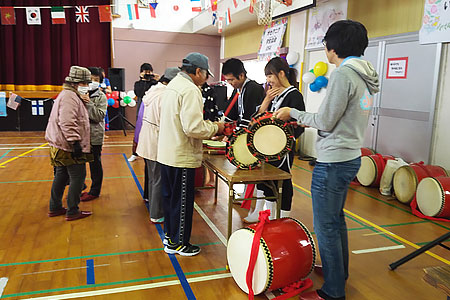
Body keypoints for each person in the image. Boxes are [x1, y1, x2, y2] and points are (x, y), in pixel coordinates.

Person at [274, 20, 379, 300]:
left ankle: (333, 291)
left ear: (333, 47)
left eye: (325, 45)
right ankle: (338, 273)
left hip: (333, 161)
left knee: (326, 226)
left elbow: (326, 121)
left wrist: (292, 113)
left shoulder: (344, 75)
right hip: (351, 157)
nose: (325, 50)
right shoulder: (365, 74)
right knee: (336, 220)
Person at [158, 52, 224, 256]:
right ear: (198, 71)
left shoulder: (173, 86)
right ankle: (179, 244)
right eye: (206, 75)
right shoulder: (190, 90)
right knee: (182, 202)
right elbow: (193, 128)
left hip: (167, 154)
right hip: (181, 156)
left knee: (170, 200)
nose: (206, 79)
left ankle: (170, 237)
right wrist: (216, 128)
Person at [243, 57, 305, 223]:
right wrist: (266, 101)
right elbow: (256, 119)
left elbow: (299, 125)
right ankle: (262, 214)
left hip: (281, 149)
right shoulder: (272, 95)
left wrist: (284, 139)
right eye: (267, 76)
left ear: (282, 74)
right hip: (266, 146)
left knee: (282, 180)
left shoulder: (294, 95)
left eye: (270, 76)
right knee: (264, 178)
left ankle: (283, 217)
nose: (268, 80)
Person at [45, 66, 93, 221]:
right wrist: (75, 142)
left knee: (61, 175)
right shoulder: (70, 97)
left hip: (60, 143)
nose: (87, 85)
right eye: (85, 82)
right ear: (76, 83)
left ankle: (55, 207)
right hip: (67, 145)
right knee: (78, 176)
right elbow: (67, 121)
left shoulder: (69, 94)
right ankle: (72, 210)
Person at [136, 67, 180, 224]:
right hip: (155, 141)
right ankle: (156, 213)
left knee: (152, 176)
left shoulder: (154, 90)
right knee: (158, 179)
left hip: (147, 139)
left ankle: (150, 202)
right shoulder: (165, 95)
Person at [79, 67, 108, 202]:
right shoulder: (77, 94)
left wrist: (89, 103)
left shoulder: (101, 97)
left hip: (94, 136)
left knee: (95, 164)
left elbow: (99, 116)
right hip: (79, 136)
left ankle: (95, 191)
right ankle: (78, 189)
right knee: (78, 165)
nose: (92, 82)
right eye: (90, 79)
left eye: (96, 80)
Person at [128, 63, 159, 162]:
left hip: (152, 108)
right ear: (141, 73)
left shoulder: (154, 83)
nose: (148, 74)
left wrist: (155, 80)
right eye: (146, 72)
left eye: (149, 71)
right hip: (142, 108)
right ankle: (134, 153)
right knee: (139, 131)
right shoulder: (138, 83)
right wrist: (143, 81)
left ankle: (151, 152)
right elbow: (139, 93)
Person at [221, 58, 265, 127]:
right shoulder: (237, 90)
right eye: (227, 80)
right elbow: (231, 114)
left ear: (241, 75)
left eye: (231, 80)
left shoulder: (254, 88)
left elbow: (249, 116)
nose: (229, 83)